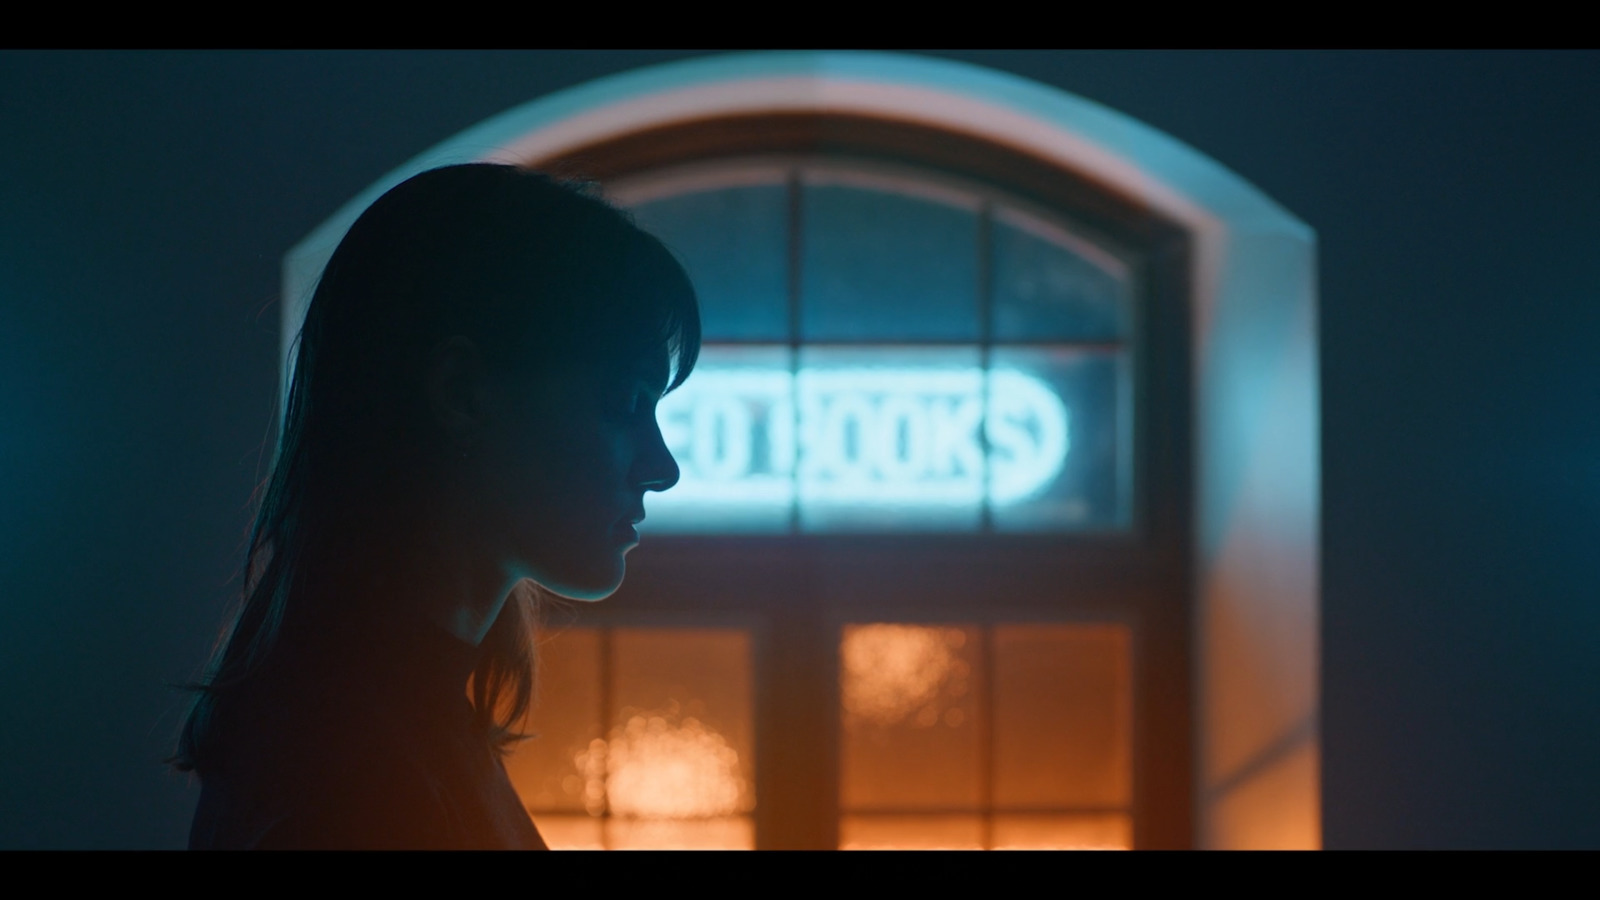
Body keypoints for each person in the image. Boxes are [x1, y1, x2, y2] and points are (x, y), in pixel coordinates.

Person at [172, 164, 700, 850]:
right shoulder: (355, 772)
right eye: (625, 403)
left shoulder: (377, 730)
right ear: (461, 393)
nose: (663, 468)